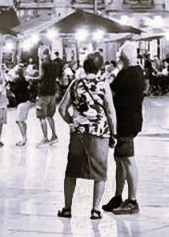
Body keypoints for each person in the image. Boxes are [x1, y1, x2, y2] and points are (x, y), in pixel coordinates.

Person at [58, 52, 117, 220]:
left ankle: (67, 208)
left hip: (79, 133)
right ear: (100, 67)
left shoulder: (75, 84)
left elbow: (61, 109)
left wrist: (72, 121)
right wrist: (114, 133)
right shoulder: (103, 85)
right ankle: (95, 210)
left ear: (84, 67)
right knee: (100, 171)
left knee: (72, 171)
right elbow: (110, 112)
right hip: (99, 132)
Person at [104, 45, 146, 214]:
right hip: (132, 120)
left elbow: (109, 91)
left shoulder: (126, 74)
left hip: (125, 122)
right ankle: (118, 197)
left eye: (120, 57)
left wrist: (113, 73)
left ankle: (132, 201)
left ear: (124, 57)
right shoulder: (138, 71)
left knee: (127, 160)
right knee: (120, 159)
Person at [37, 52, 63, 143]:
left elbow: (41, 77)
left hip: (43, 93)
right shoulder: (55, 65)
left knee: (42, 117)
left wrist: (31, 78)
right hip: (52, 93)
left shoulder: (43, 64)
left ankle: (45, 138)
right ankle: (54, 135)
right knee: (50, 116)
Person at [9, 64, 33, 146]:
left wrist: (10, 86)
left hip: (22, 102)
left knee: (19, 121)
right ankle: (24, 137)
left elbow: (15, 90)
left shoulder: (18, 80)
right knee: (21, 120)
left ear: (16, 73)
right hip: (26, 102)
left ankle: (24, 138)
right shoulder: (23, 79)